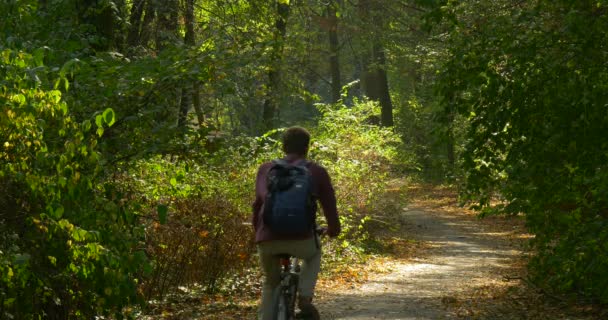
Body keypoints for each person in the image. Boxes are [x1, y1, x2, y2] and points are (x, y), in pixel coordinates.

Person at [252, 126, 340, 320]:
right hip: (302, 239)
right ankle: (305, 297)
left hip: (267, 239)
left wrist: (257, 232)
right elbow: (329, 206)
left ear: (283, 146)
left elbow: (258, 204)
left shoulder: (266, 169)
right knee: (314, 253)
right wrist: (333, 230)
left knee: (271, 283)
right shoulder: (316, 171)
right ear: (307, 147)